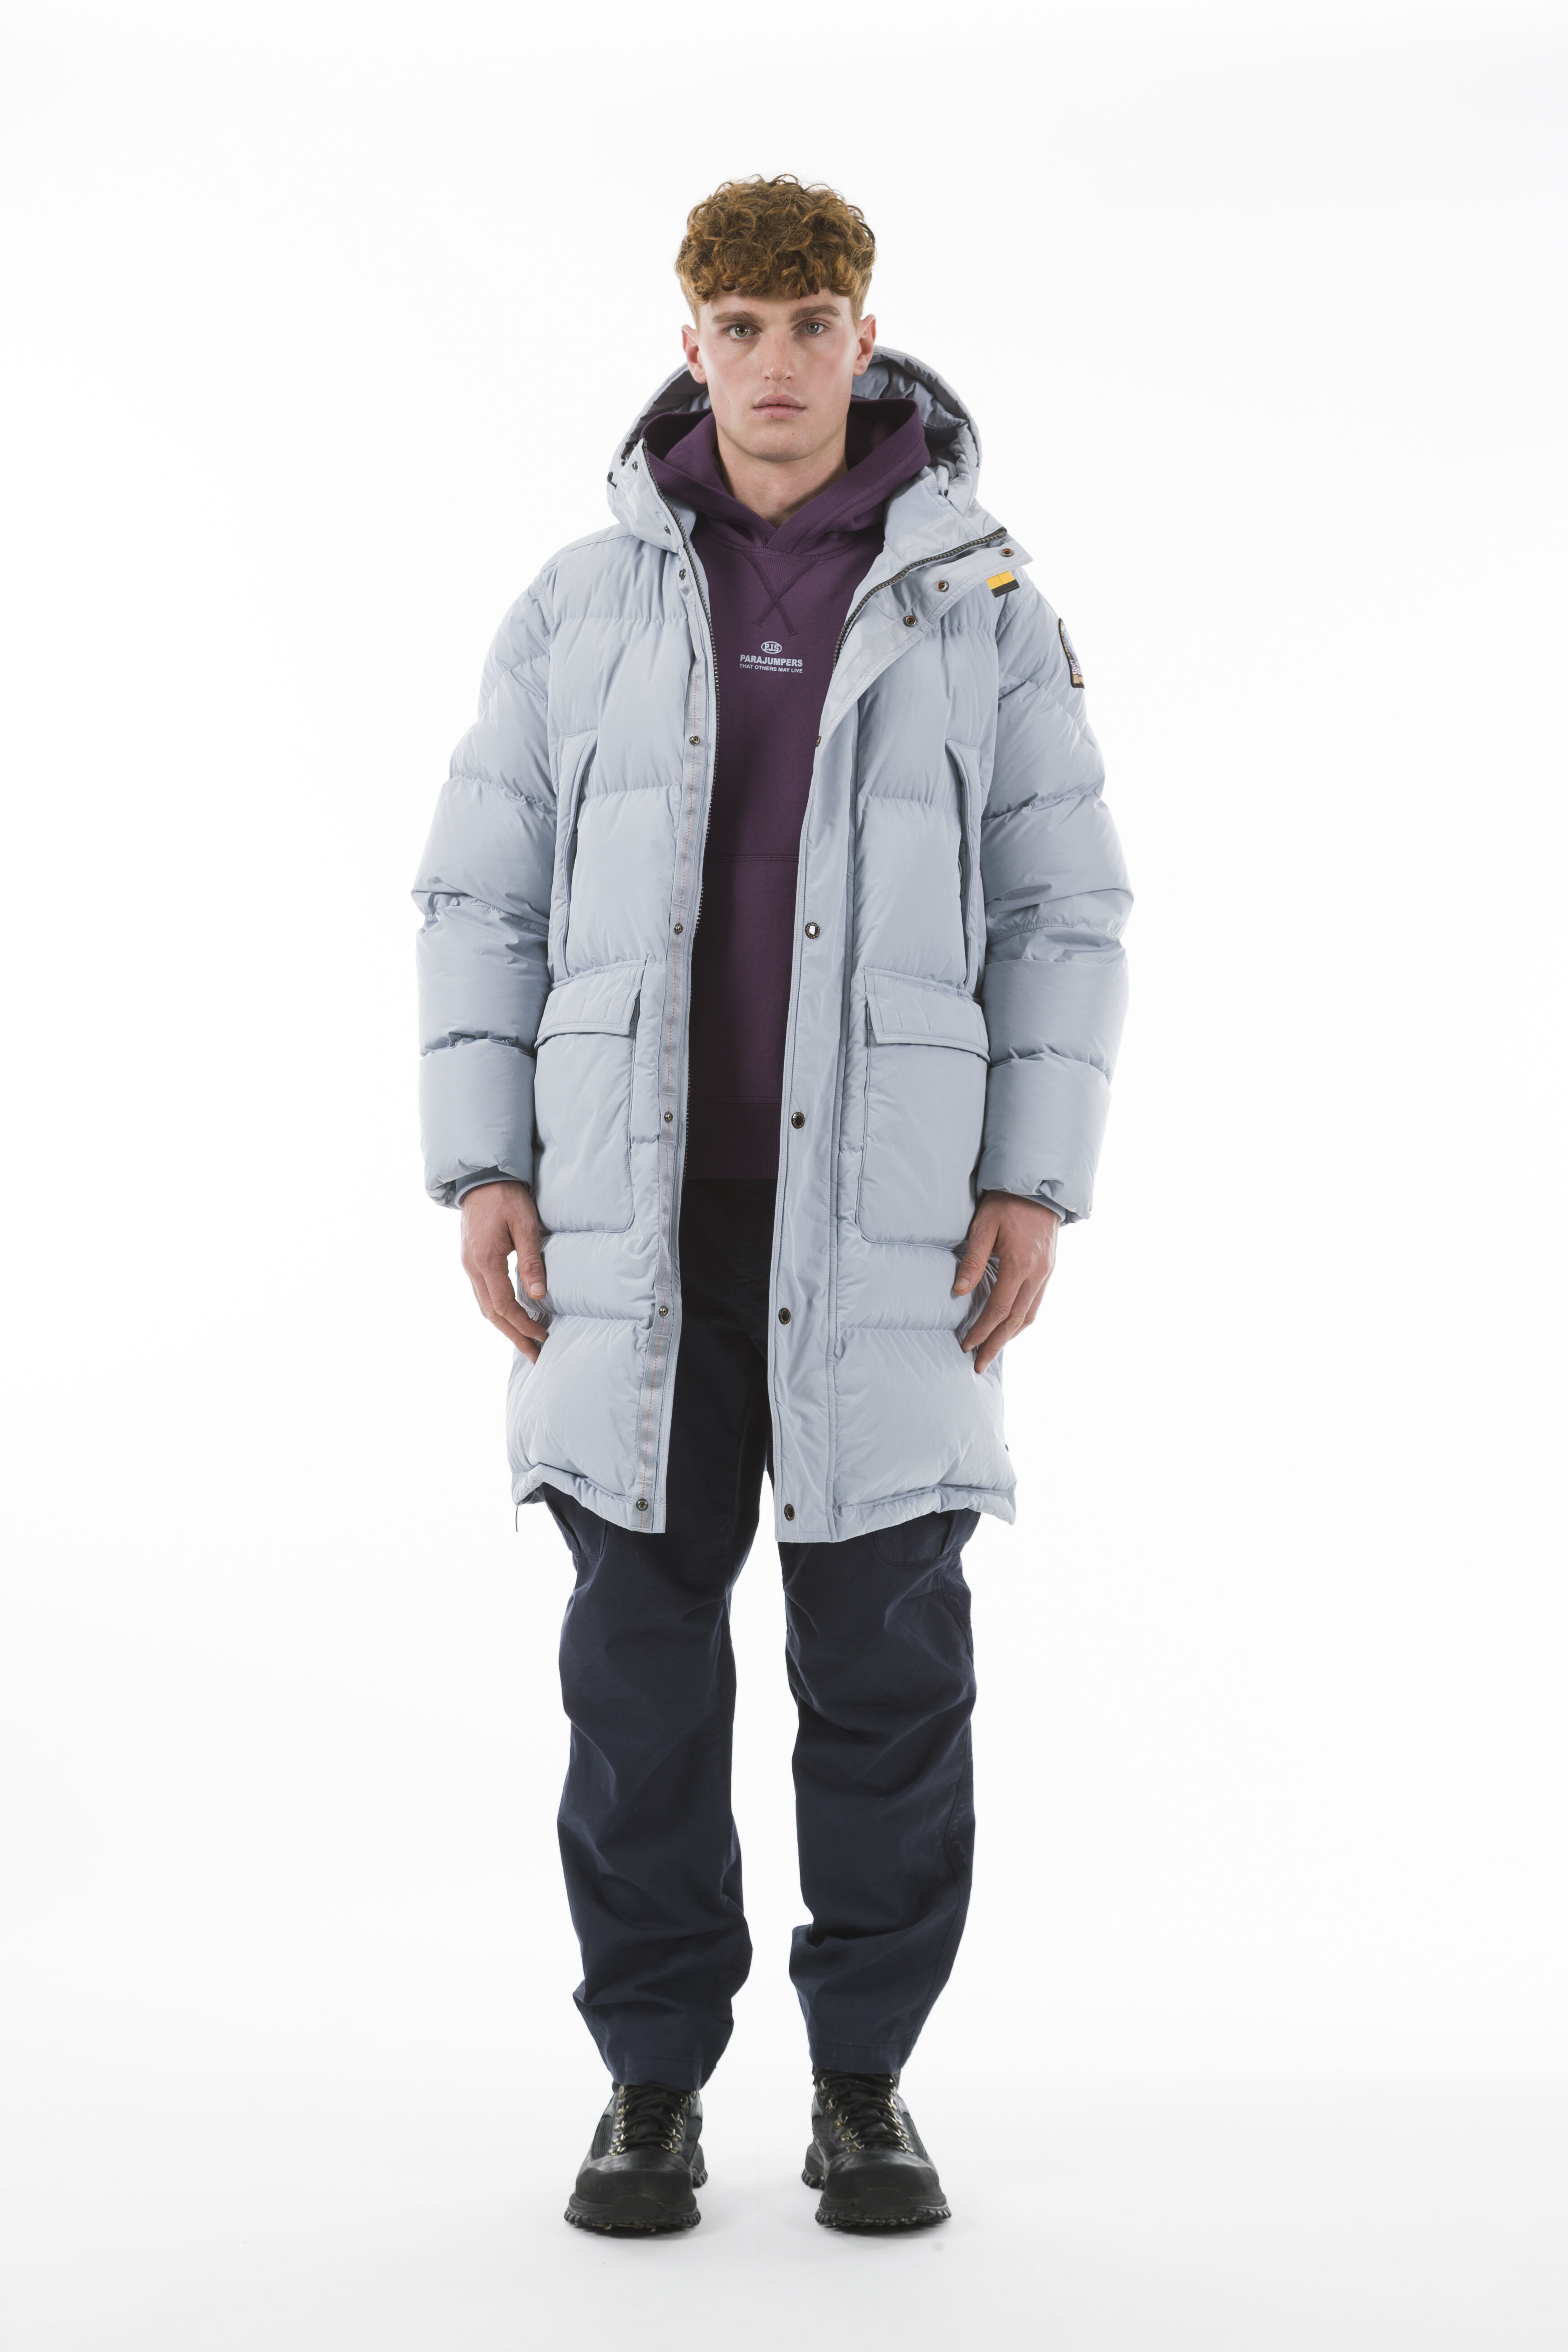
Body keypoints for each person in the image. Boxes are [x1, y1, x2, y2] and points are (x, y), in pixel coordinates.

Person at [412, 175, 1130, 2237]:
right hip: (630, 1231)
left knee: (884, 1669)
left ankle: (864, 2084)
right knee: (639, 1673)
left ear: (864, 335)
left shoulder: (981, 604)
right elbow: (481, 894)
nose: (779, 363)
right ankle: (649, 2084)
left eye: (814, 323)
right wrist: (488, 1162)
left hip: (889, 1232)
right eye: (741, 326)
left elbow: (1063, 906)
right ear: (692, 341)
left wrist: (1031, 1181)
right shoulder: (580, 605)